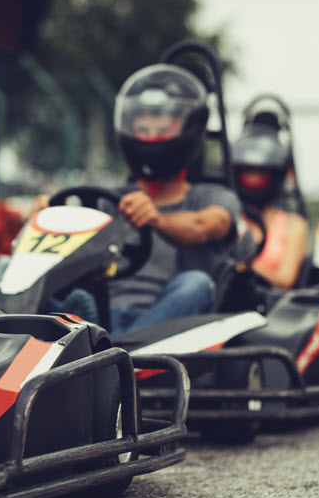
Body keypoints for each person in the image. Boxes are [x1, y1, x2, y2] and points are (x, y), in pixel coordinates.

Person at [12, 64, 241, 336]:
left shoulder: (213, 197)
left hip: (164, 318)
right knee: (12, 273)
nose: (152, 134)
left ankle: (107, 347)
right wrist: (44, 219)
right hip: (100, 309)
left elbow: (204, 226)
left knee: (197, 284)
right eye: (143, 127)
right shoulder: (107, 201)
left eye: (162, 128)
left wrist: (156, 218)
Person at [230, 108, 309, 289]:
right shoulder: (226, 218)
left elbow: (285, 280)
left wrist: (244, 265)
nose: (253, 178)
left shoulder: (294, 225)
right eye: (247, 172)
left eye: (260, 173)